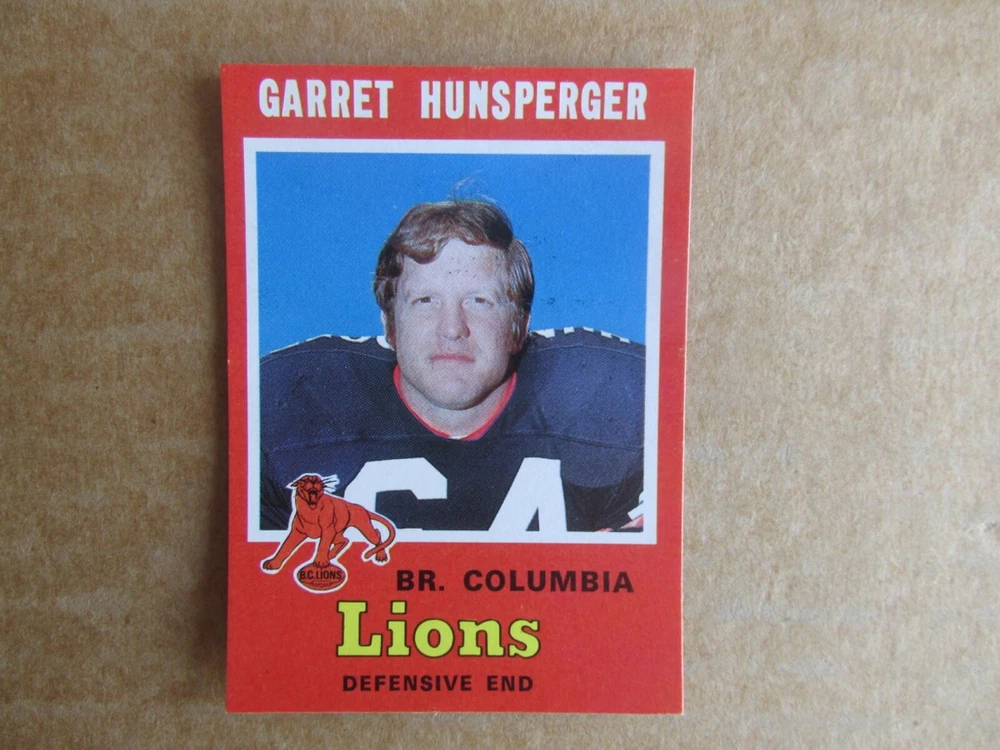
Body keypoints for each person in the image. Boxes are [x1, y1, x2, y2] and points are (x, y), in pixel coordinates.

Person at [259, 199, 645, 535]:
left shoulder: (610, 392)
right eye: (425, 300)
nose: (452, 329)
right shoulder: (290, 398)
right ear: (390, 326)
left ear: (519, 327)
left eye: (479, 301)